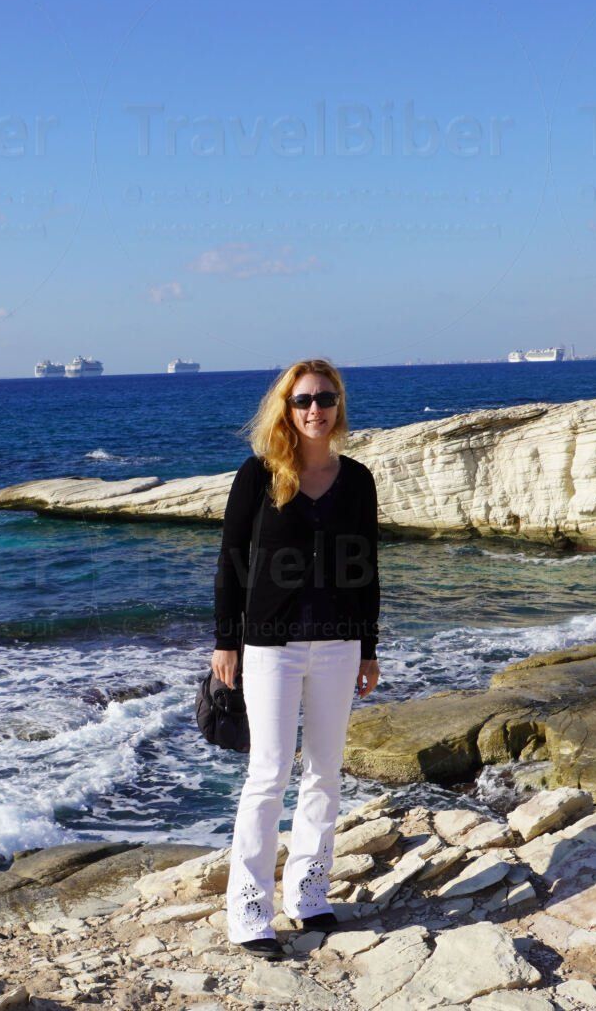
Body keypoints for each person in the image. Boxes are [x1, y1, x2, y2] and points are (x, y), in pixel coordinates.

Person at [211, 358, 381, 960]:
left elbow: (366, 566)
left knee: (326, 771)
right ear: (286, 407)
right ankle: (248, 909)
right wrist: (225, 641)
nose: (316, 409)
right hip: (270, 647)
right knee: (268, 774)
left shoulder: (356, 479)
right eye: (304, 400)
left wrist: (368, 647)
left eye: (326, 399)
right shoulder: (257, 475)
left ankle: (309, 894)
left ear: (338, 407)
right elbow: (231, 562)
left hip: (338, 643)